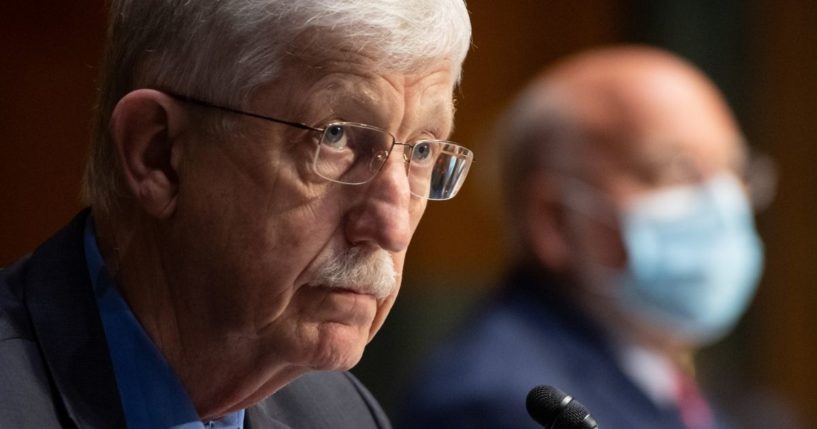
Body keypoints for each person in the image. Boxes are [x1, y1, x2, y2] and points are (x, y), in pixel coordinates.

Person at [0, 1, 473, 427]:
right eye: (336, 136)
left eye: (423, 150)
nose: (390, 227)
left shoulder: (346, 417)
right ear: (159, 154)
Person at [399, 45, 769, 429]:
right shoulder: (499, 404)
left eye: (733, 170)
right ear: (555, 220)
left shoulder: (675, 377)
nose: (722, 203)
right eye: (677, 172)